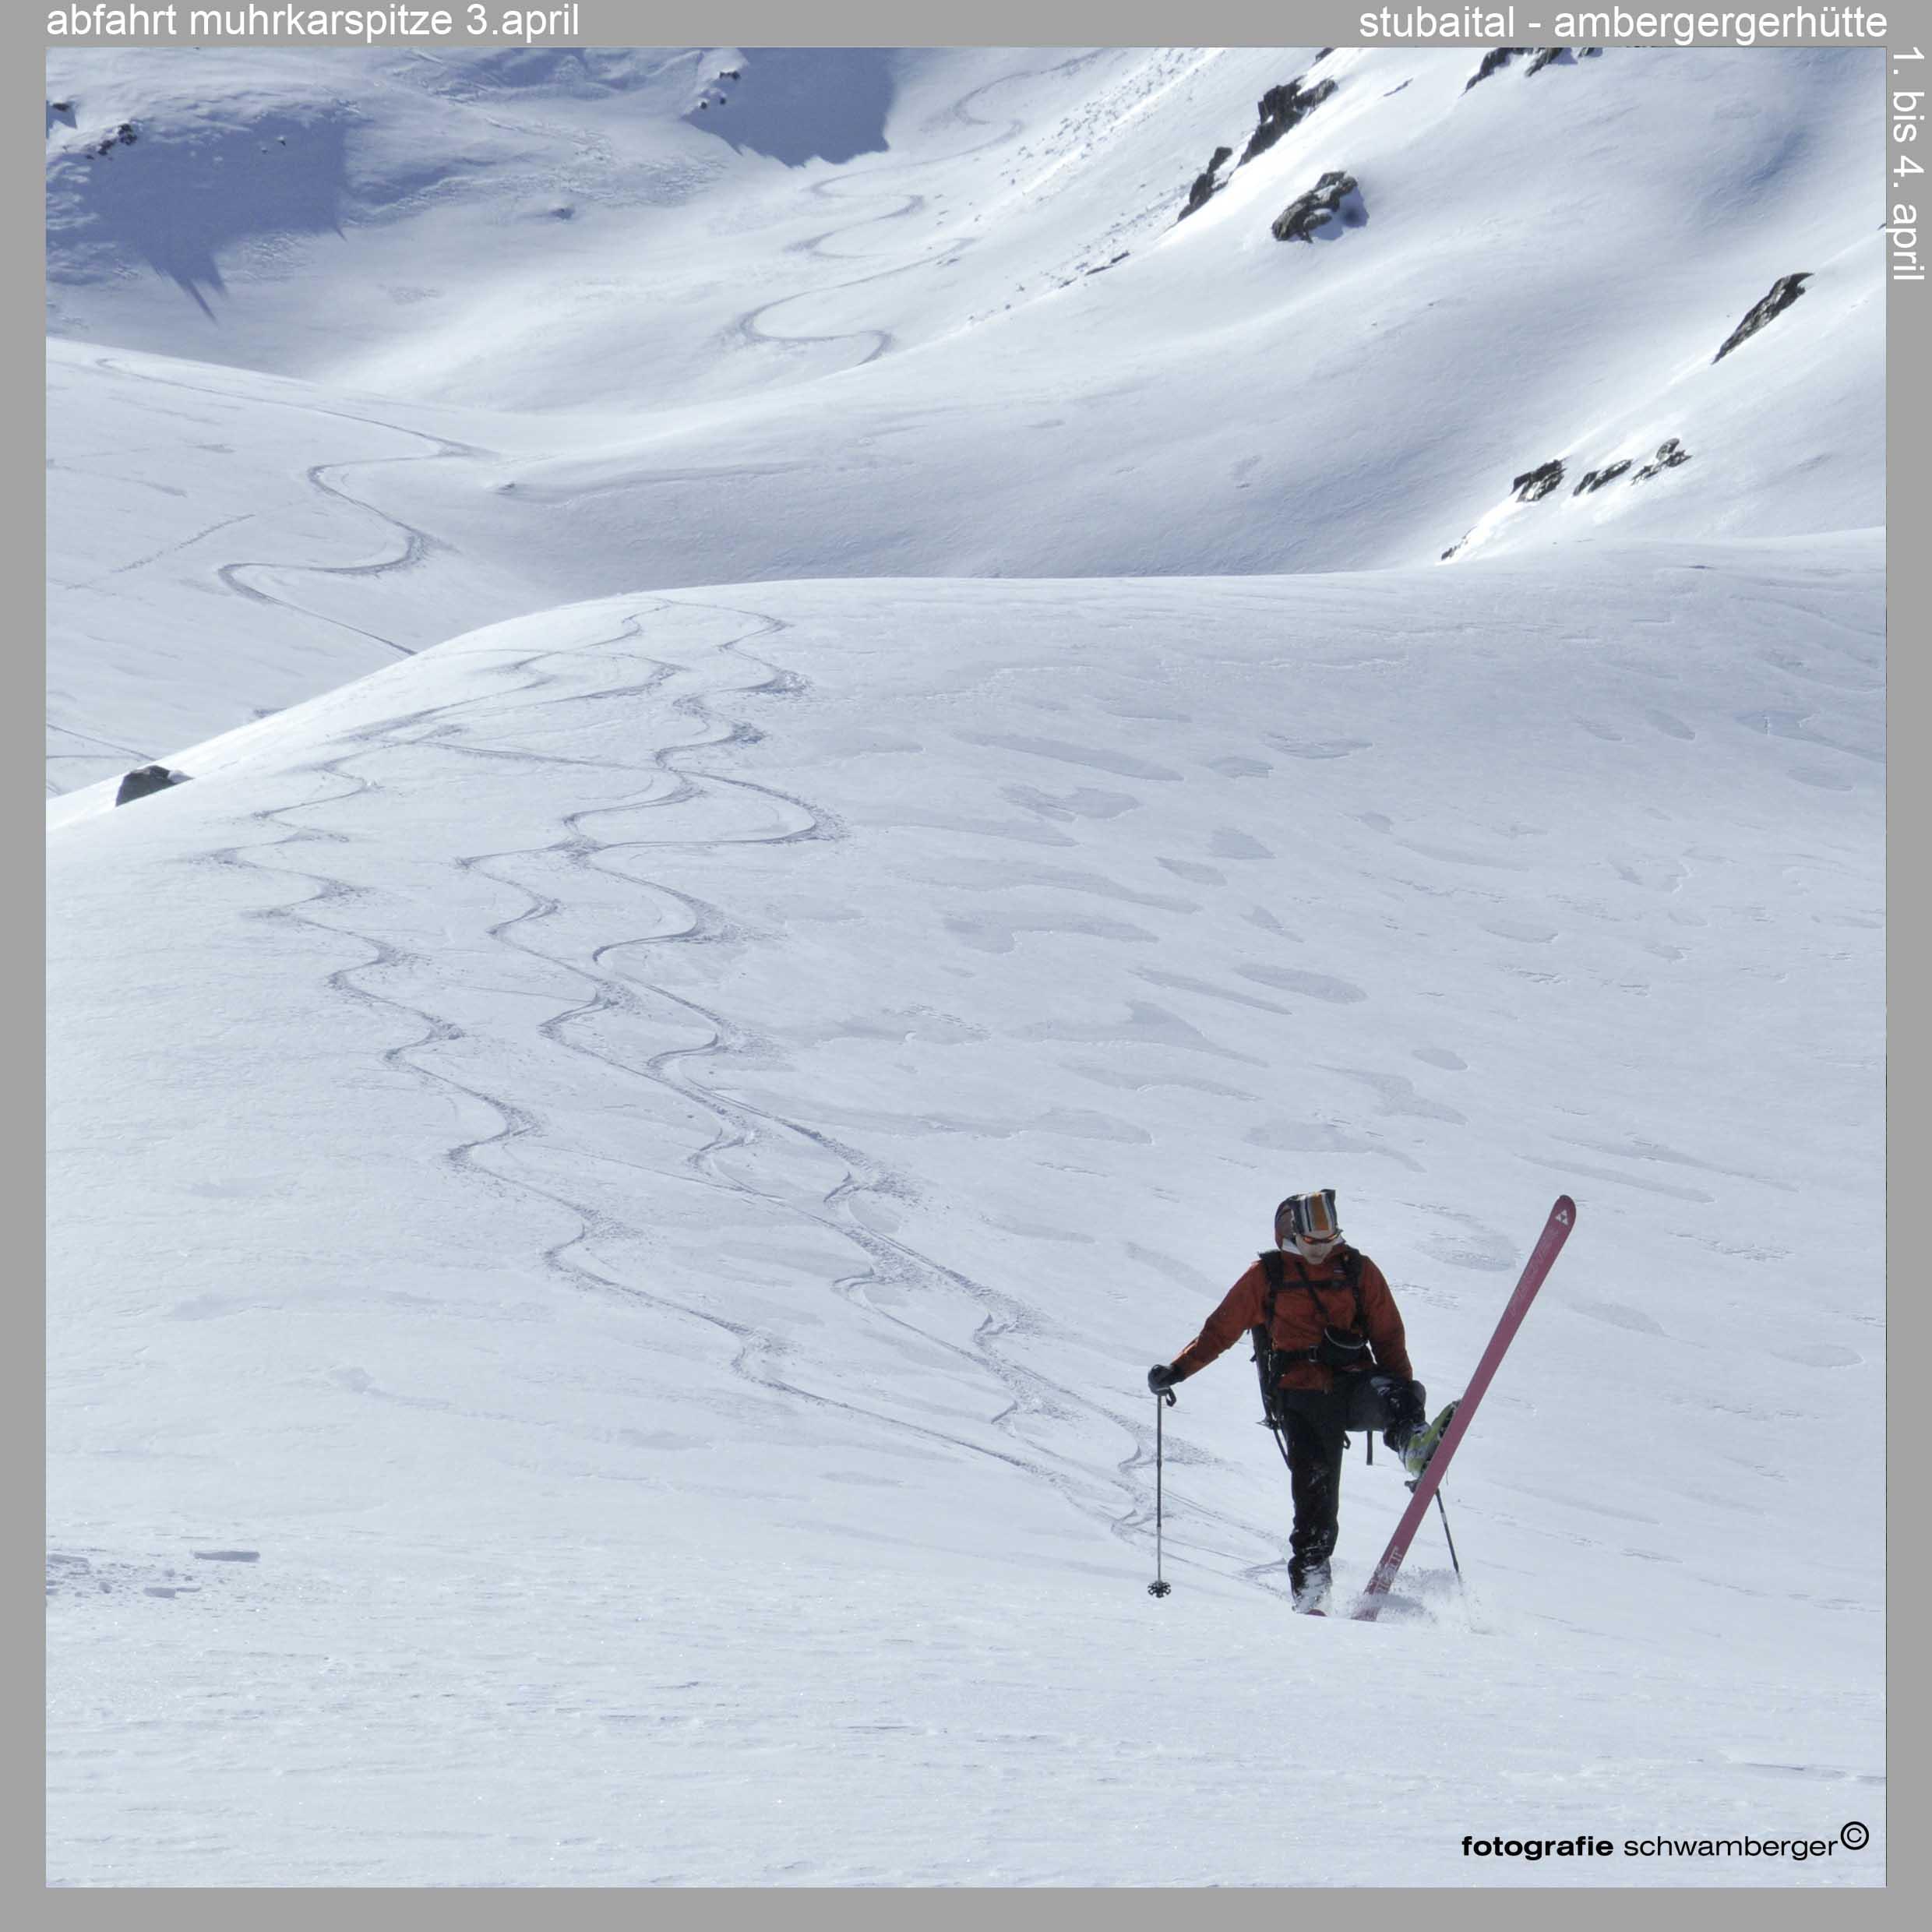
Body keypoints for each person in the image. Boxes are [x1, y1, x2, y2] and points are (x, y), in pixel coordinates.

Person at [1148, 1189, 1427, 1612]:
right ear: (1292, 1234)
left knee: (1399, 1395)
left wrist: (1406, 1396)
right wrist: (1178, 1370)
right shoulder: (1268, 1275)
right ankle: (1312, 1585)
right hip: (1302, 1396)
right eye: (1313, 1241)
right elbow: (1221, 1329)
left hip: (1354, 1386)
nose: (1321, 1249)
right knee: (1315, 1500)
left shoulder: (1358, 1270)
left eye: (1329, 1239)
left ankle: (1413, 1442)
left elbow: (1388, 1336)